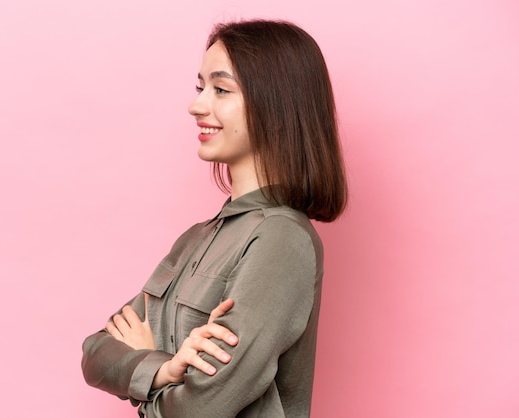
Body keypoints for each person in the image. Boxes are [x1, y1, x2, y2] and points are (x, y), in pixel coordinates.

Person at [81, 19, 347, 418]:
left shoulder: (281, 239)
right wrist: (166, 367)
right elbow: (95, 352)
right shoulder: (195, 239)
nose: (197, 105)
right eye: (200, 87)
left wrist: (144, 374)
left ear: (275, 103)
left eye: (221, 90)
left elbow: (200, 408)